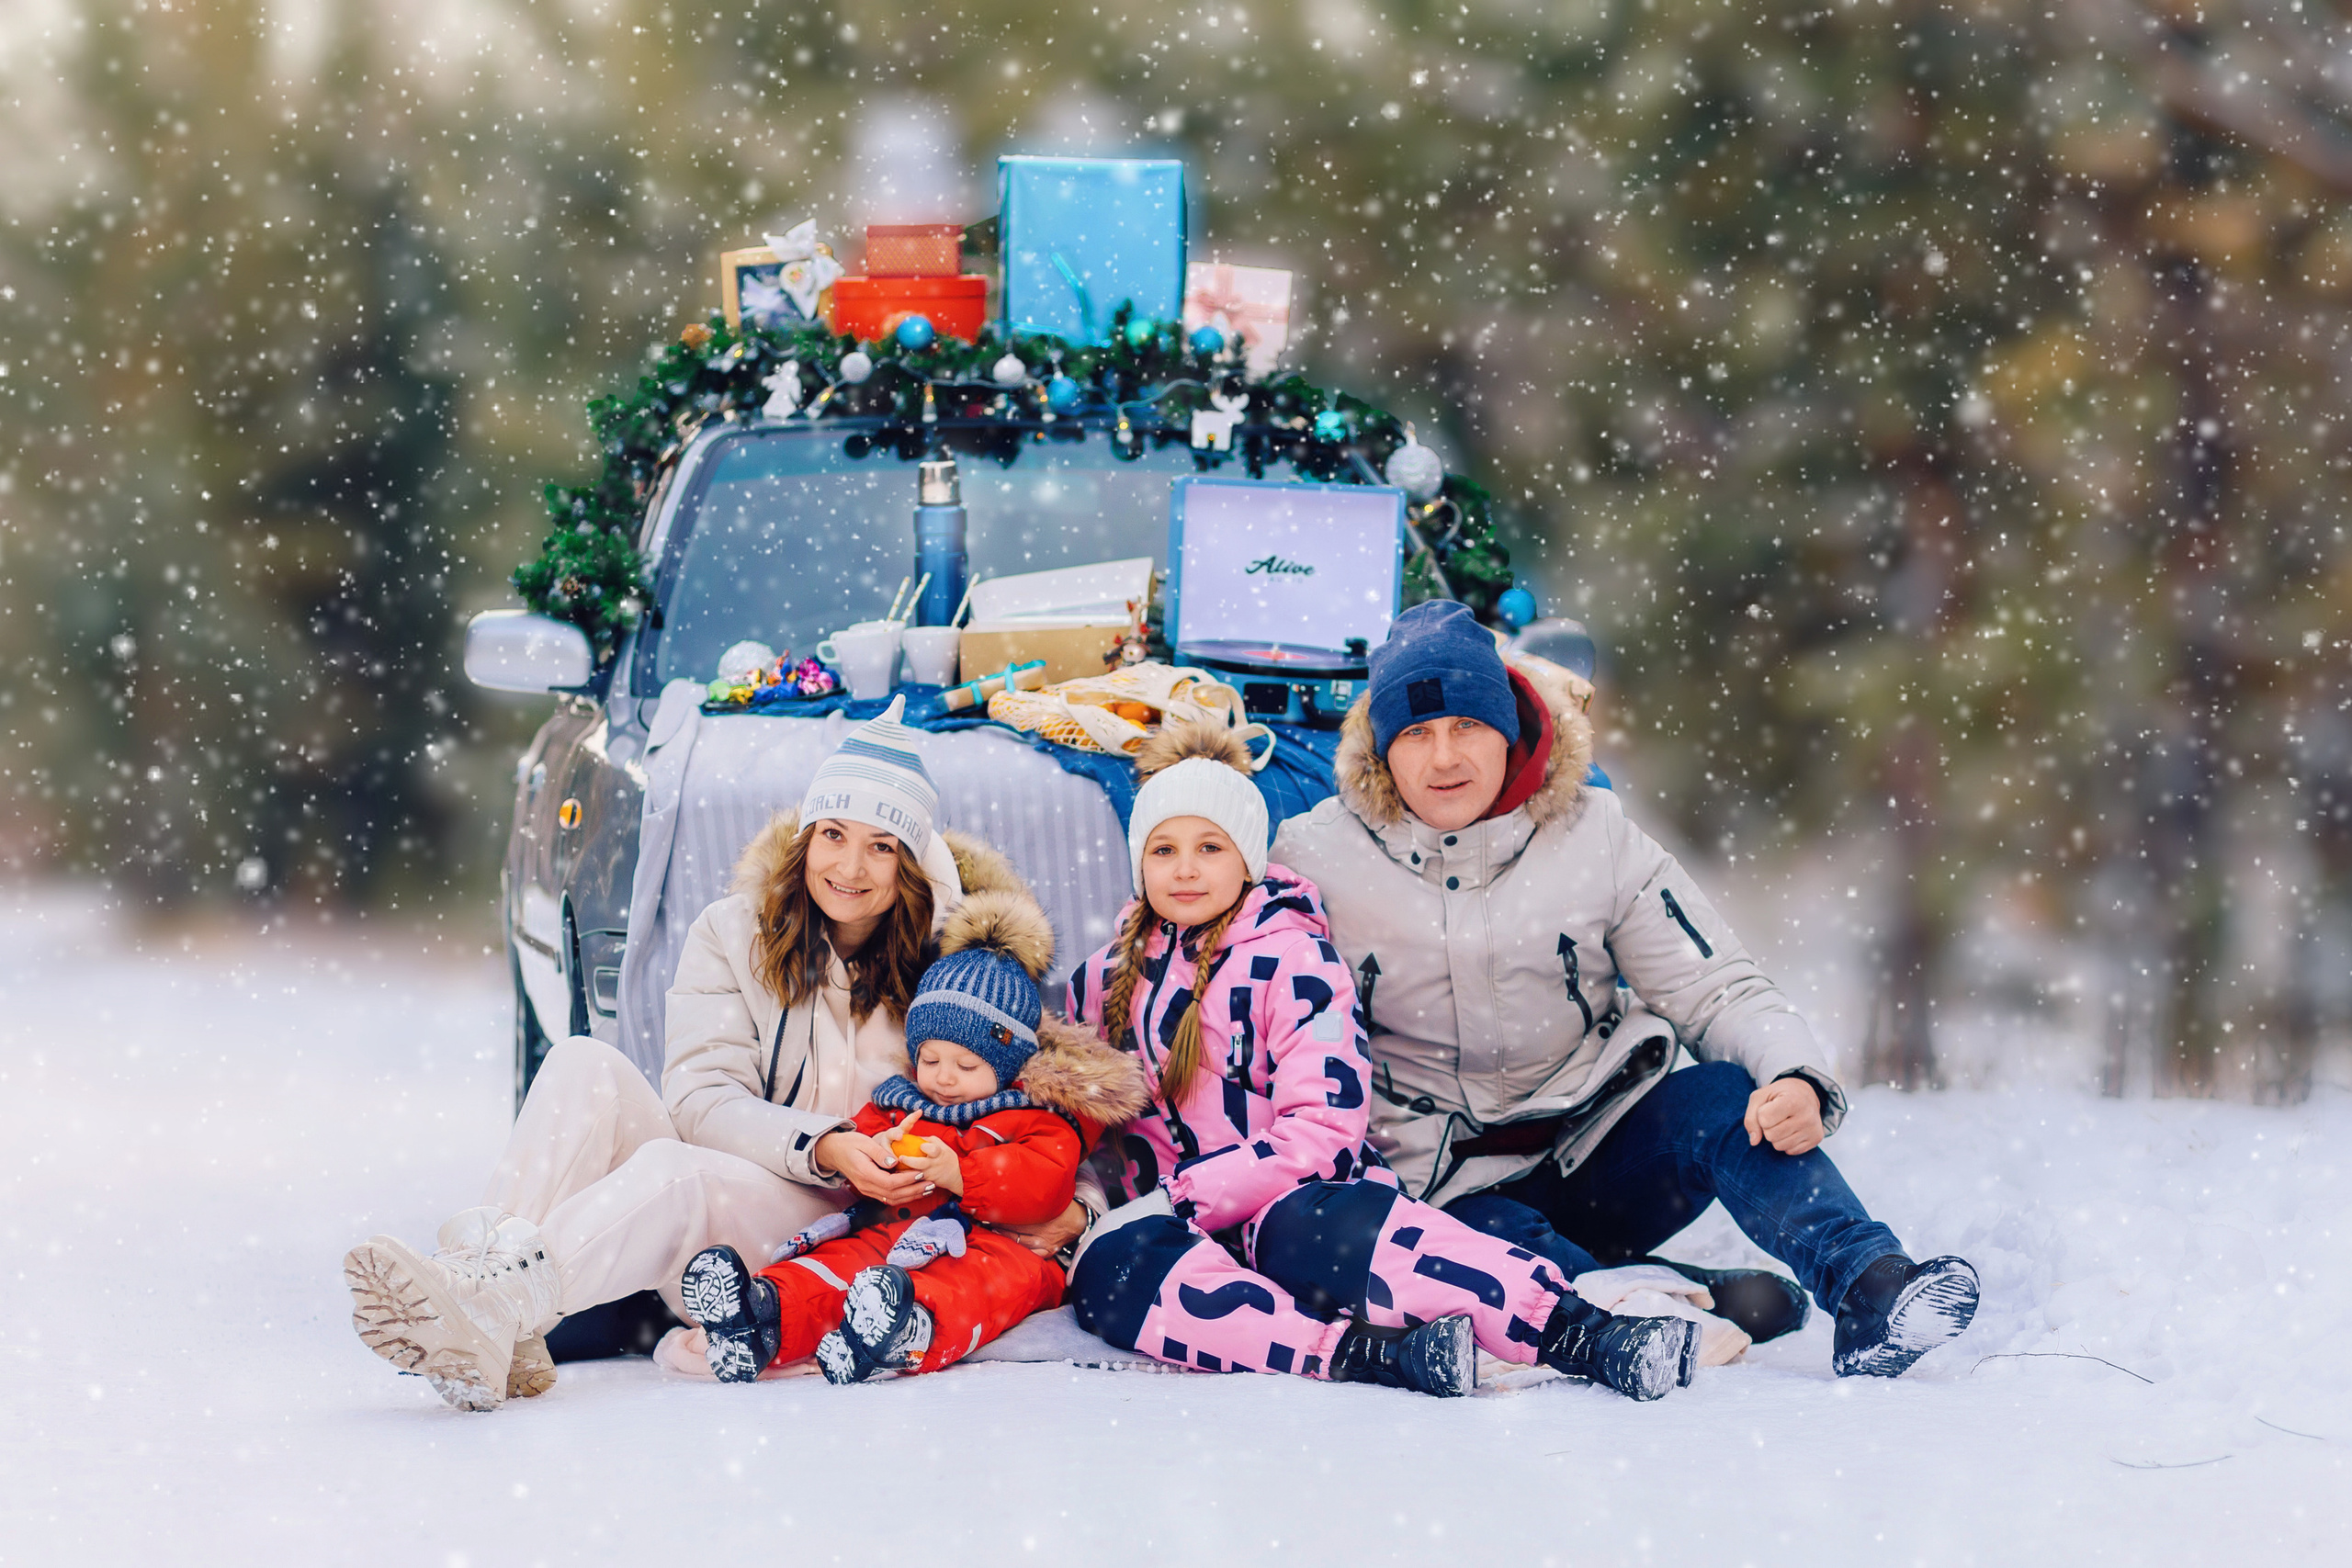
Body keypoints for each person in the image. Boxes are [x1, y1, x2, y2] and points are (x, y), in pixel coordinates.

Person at [1272, 601, 1980, 1378]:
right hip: (1450, 1183)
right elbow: (1261, 1007)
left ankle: (1873, 1286)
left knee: (1721, 1097)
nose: (1444, 756)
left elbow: (1714, 984)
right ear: (1382, 752)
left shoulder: (1593, 833)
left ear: (1508, 727)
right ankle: (1669, 1296)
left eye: (1467, 725)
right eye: (1415, 733)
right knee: (1500, 1261)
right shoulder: (1316, 857)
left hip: (1604, 1147)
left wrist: (1794, 1075)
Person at [339, 697, 1090, 1410]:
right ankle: (487, 1303)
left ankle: (492, 1306)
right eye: (834, 834)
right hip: (755, 1184)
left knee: (676, 1173)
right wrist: (825, 1143)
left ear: (911, 863)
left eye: (881, 846)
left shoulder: (955, 972)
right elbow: (698, 1098)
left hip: (832, 1241)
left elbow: (1038, 1113)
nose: (850, 866)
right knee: (581, 1064)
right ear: (806, 839)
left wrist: (1077, 1213)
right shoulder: (734, 932)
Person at [1064, 725, 1703, 1400]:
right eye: (1164, 849)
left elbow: (1322, 1130)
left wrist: (1189, 1193)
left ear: (1247, 859)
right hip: (1168, 1226)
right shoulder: (1098, 982)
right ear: (1140, 862)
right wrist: (1093, 1208)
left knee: (1345, 1238)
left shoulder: (1294, 961)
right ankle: (1370, 1354)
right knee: (1110, 1272)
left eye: (1209, 847)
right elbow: (1083, 1133)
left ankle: (1585, 1332)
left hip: (1288, 1202)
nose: (1186, 868)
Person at [677, 898, 1148, 1384]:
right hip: (902, 1227)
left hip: (1001, 1244)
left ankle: (904, 1333)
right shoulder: (901, 1103)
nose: (944, 1079)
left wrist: (961, 1175)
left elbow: (1046, 1183)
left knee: (983, 1284)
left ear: (1008, 1066)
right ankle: (761, 1315)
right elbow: (860, 1151)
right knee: (846, 1258)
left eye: (967, 1066)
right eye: (930, 1059)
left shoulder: (1033, 1117)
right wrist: (875, 1154)